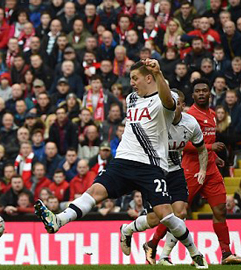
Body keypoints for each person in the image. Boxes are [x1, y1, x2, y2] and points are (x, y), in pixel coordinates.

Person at [34, 59, 208, 268]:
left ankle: (195, 253)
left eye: (135, 78)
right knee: (95, 191)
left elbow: (168, 102)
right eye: (131, 78)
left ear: (148, 78)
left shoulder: (166, 98)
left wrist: (159, 73)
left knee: (165, 216)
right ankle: (59, 220)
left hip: (150, 165)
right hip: (123, 160)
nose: (132, 82)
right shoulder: (131, 98)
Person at [149, 79, 241, 265]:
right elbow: (185, 145)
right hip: (191, 170)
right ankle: (152, 243)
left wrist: (214, 157)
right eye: (197, 91)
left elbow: (205, 147)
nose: (201, 93)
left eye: (204, 90)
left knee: (220, 210)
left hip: (211, 170)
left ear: (210, 94)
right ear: (192, 96)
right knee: (177, 212)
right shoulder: (188, 116)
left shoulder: (213, 114)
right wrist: (210, 146)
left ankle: (226, 253)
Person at [119, 90, 209, 265]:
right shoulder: (154, 121)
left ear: (182, 105)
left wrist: (203, 170)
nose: (173, 105)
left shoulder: (191, 124)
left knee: (181, 212)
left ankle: (164, 256)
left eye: (177, 103)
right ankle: (127, 230)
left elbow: (201, 148)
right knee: (155, 220)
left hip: (175, 171)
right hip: (155, 171)